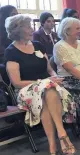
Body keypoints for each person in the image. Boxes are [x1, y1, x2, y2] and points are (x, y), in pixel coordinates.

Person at [4, 14, 76, 155]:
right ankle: (62, 135)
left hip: (48, 87)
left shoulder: (38, 46)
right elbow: (16, 83)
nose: (32, 29)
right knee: (47, 91)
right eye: (28, 27)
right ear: (17, 30)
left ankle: (52, 144)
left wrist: (56, 78)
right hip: (26, 90)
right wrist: (44, 82)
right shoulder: (11, 52)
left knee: (47, 92)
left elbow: (50, 70)